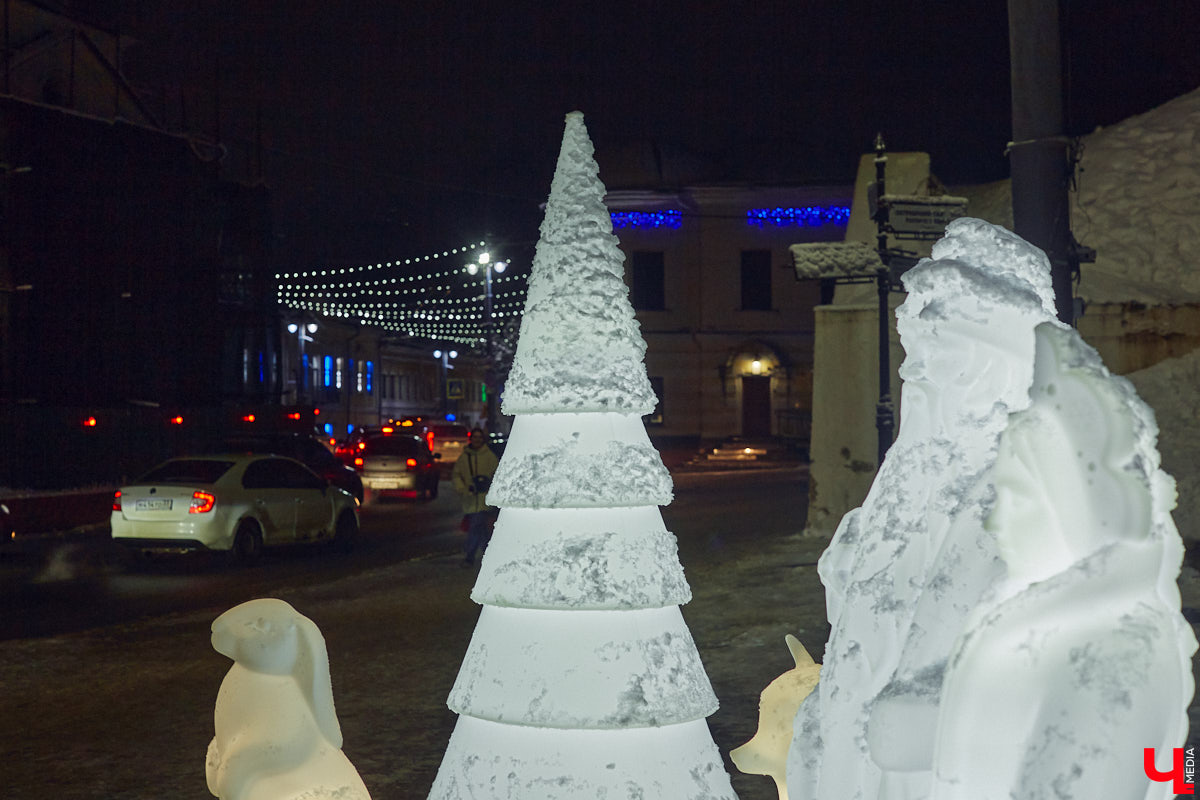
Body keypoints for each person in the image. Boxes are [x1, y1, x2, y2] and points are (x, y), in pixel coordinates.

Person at [451, 427, 500, 566]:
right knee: (481, 529)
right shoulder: (464, 457)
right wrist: (463, 489)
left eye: (479, 437)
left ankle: (471, 556)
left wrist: (489, 486)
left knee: (476, 527)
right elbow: (456, 475)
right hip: (471, 499)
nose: (477, 440)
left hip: (484, 499)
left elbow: (497, 475)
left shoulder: (489, 457)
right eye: (475, 437)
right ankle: (487, 556)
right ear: (471, 439)